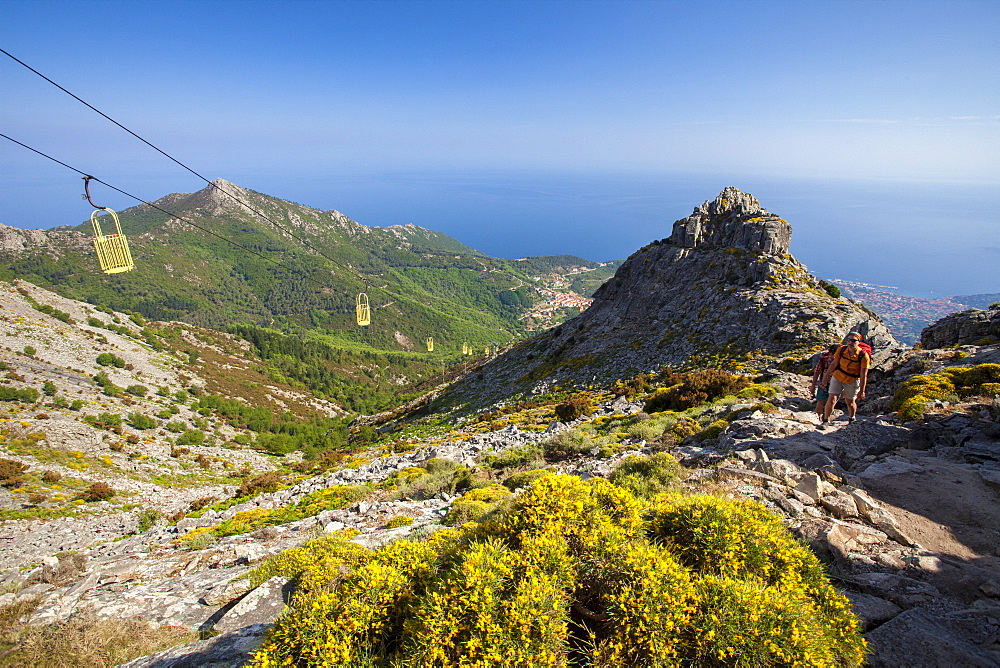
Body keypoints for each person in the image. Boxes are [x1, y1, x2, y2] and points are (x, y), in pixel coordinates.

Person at [822, 332, 870, 425]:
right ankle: (826, 420)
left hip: (852, 380)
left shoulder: (863, 355)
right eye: (849, 340)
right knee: (831, 398)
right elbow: (834, 364)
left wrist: (862, 390)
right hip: (838, 376)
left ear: (858, 342)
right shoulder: (842, 349)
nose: (850, 342)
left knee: (850, 402)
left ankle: (852, 418)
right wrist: (826, 376)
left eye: (853, 340)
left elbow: (863, 374)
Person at [811, 344, 839, 429]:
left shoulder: (841, 362)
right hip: (824, 384)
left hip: (837, 384)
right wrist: (813, 386)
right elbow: (817, 372)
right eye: (831, 354)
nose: (832, 356)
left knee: (831, 402)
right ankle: (818, 418)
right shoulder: (823, 360)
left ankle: (826, 419)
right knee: (820, 402)